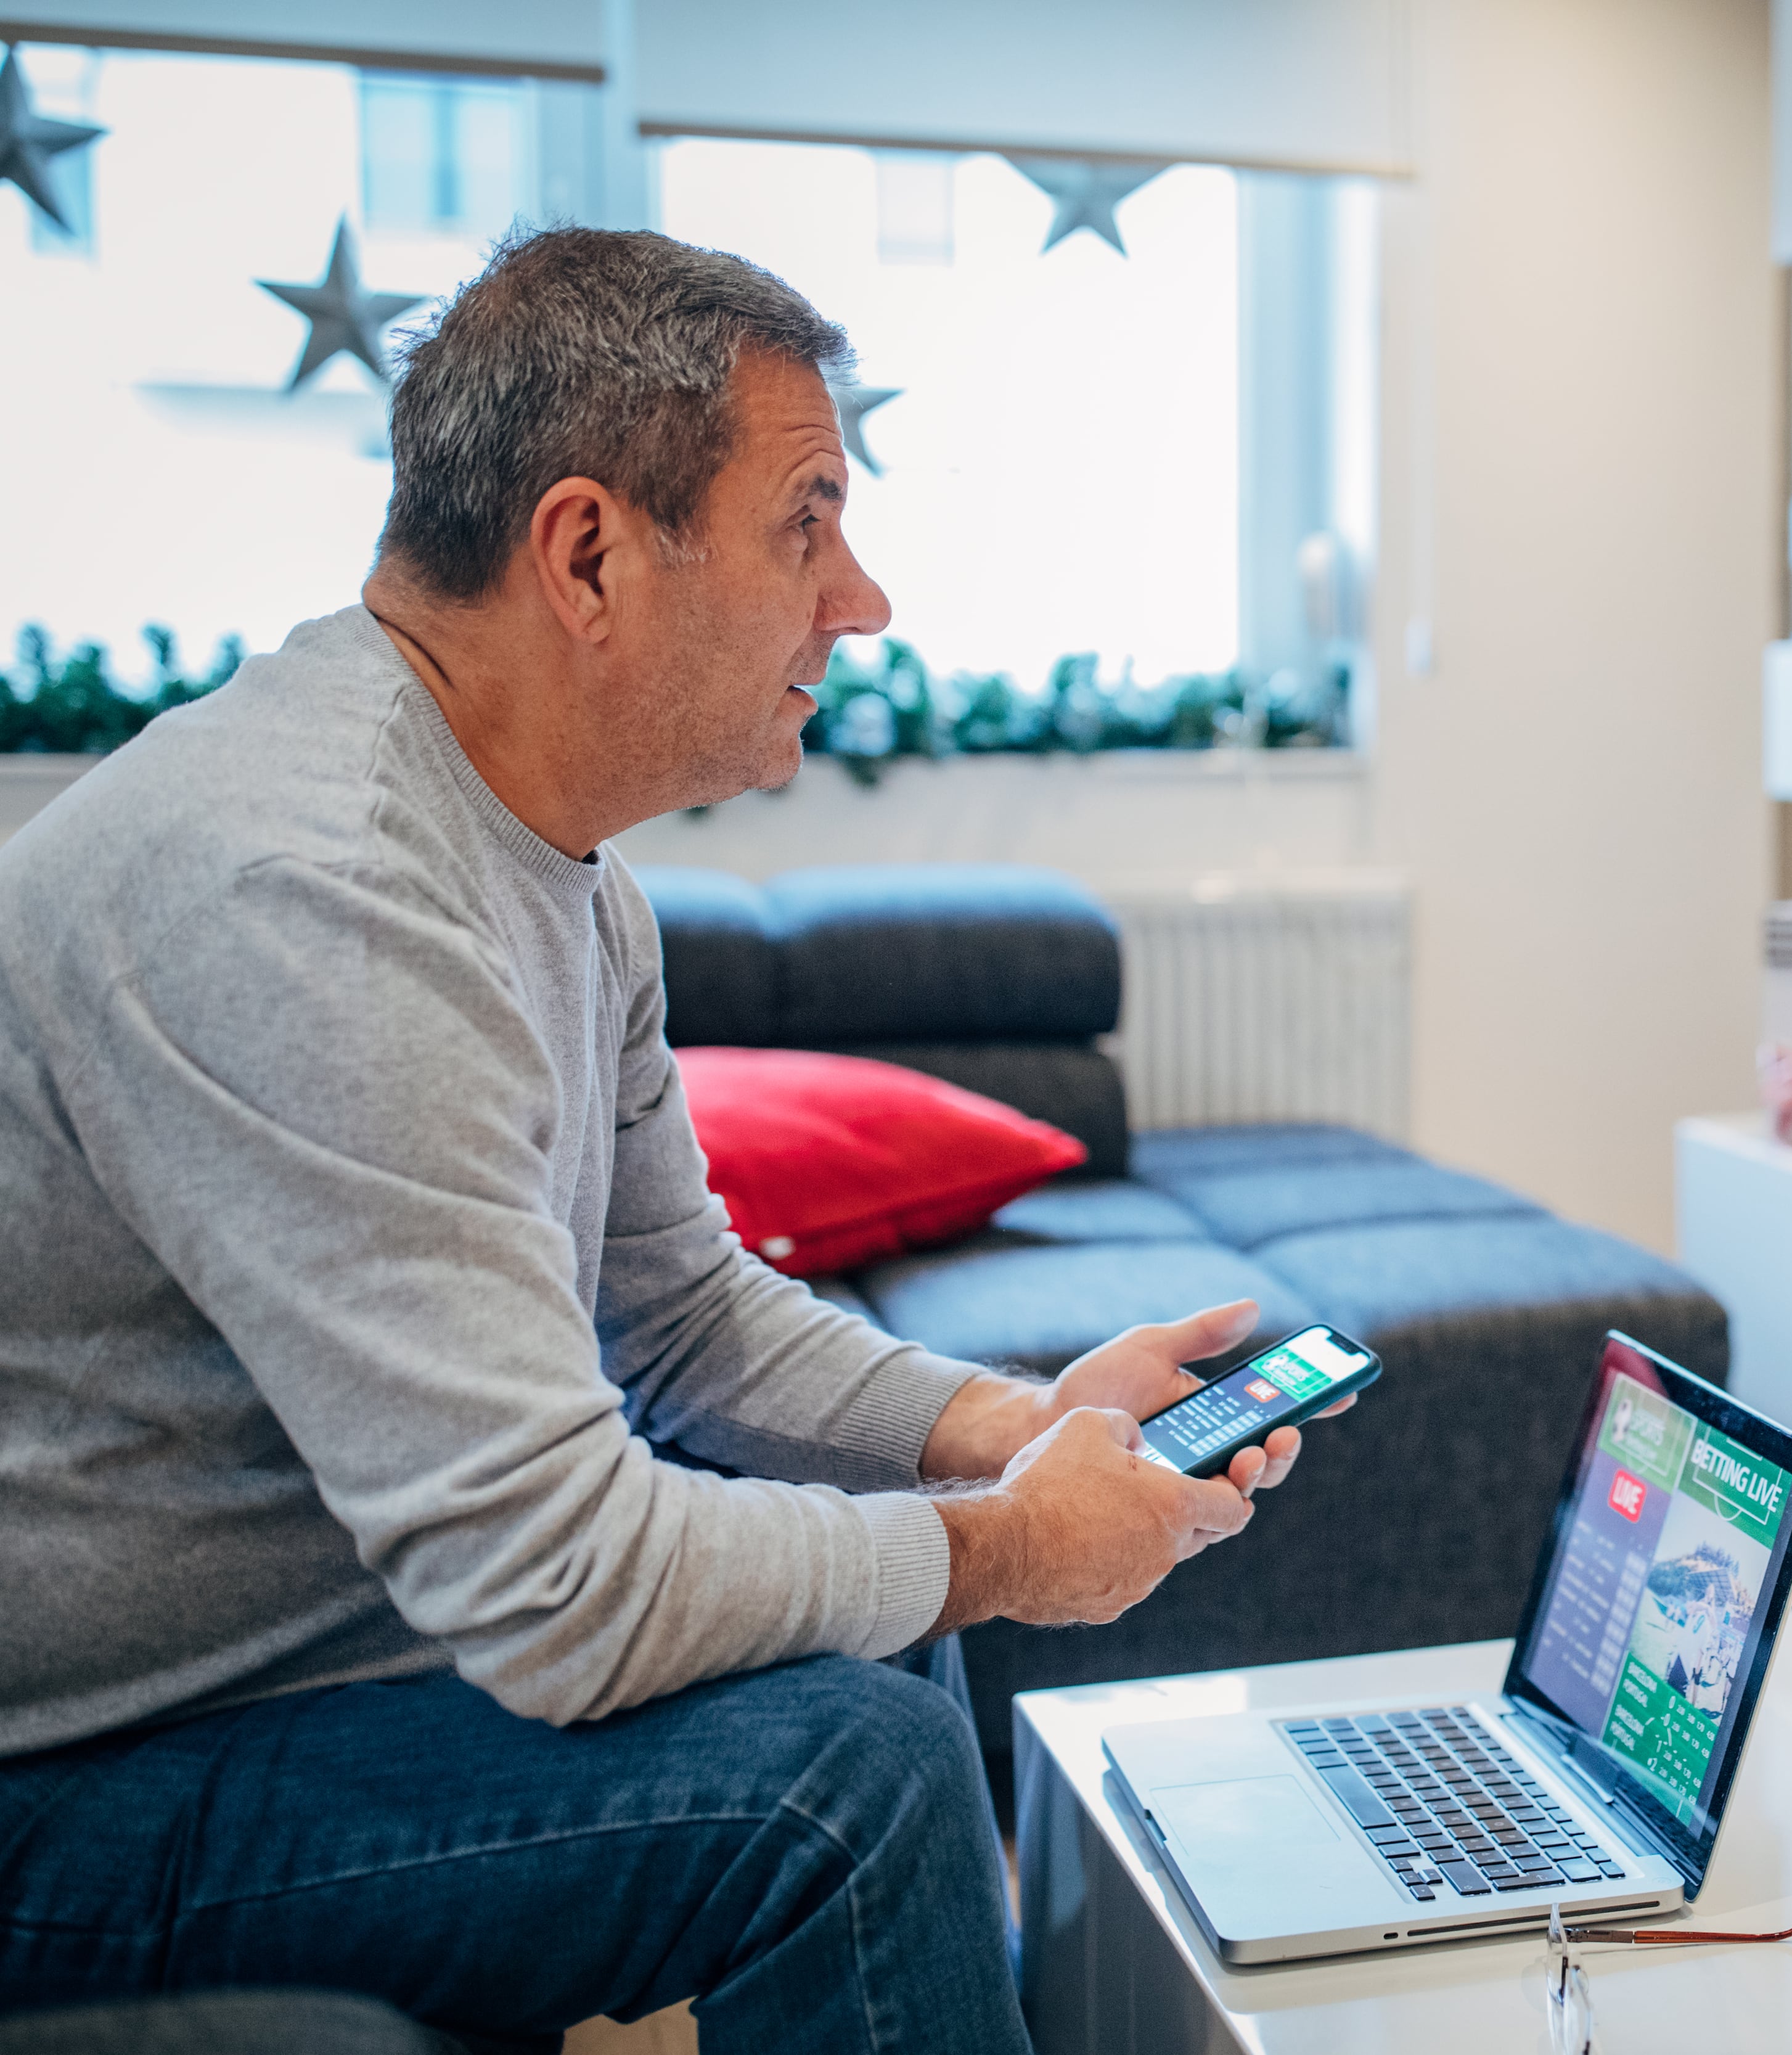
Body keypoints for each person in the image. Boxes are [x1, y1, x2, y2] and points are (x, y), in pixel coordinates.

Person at [0, 227, 1313, 2052]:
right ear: (591, 553)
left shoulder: (561, 868)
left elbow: (679, 1320)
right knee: (838, 1780)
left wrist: (1016, 1429)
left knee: (883, 1619)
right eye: (807, 522)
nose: (861, 597)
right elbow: (558, 1591)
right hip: (72, 1785)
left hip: (286, 1679)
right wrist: (1012, 1544)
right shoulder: (309, 895)